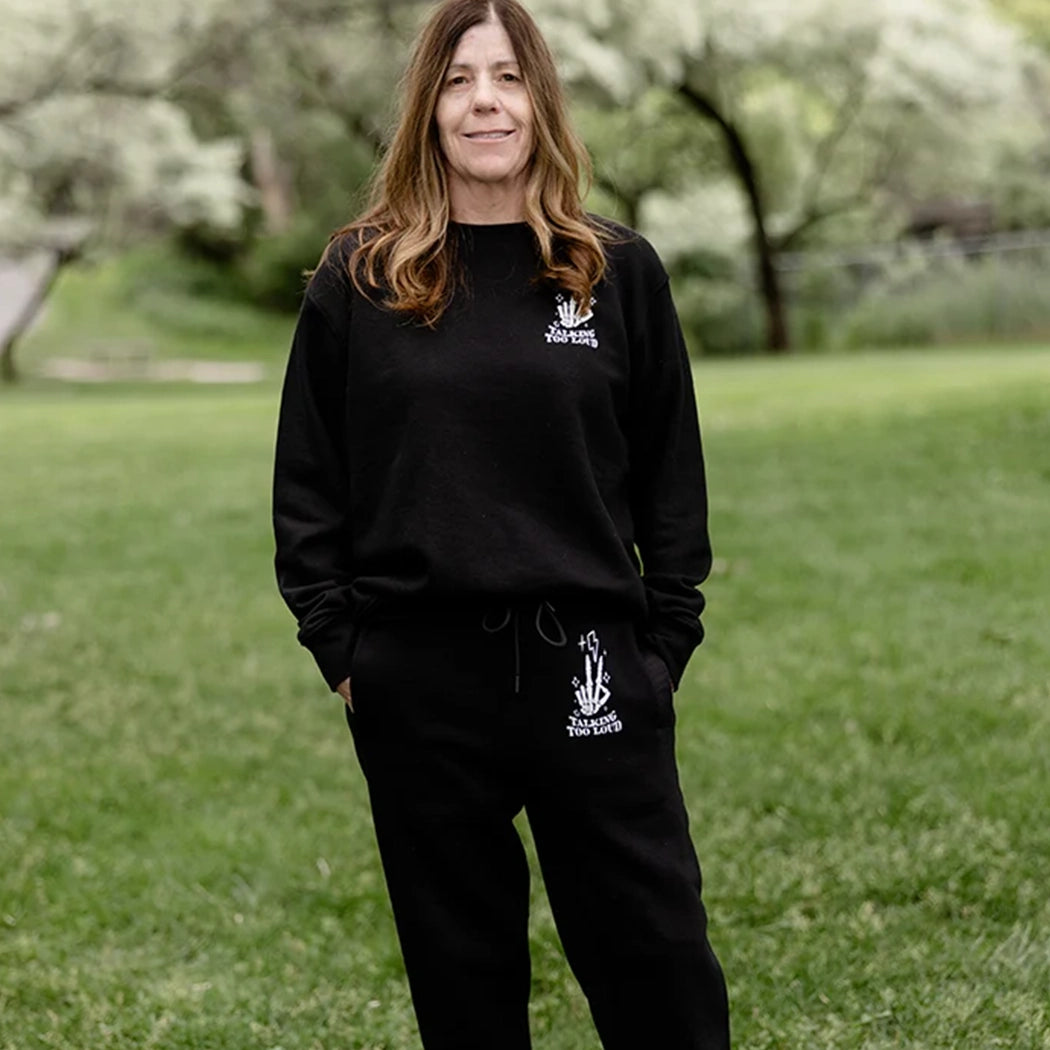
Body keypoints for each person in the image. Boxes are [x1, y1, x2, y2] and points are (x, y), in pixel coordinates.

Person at [272, 0, 731, 1046]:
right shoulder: (361, 278)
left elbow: (671, 481)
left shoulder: (616, 270)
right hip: (421, 683)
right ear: (427, 107)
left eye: (510, 77)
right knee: (465, 986)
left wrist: (661, 645)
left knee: (660, 973)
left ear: (543, 101)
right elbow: (308, 487)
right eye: (459, 78)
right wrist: (346, 651)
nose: (485, 101)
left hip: (592, 671)